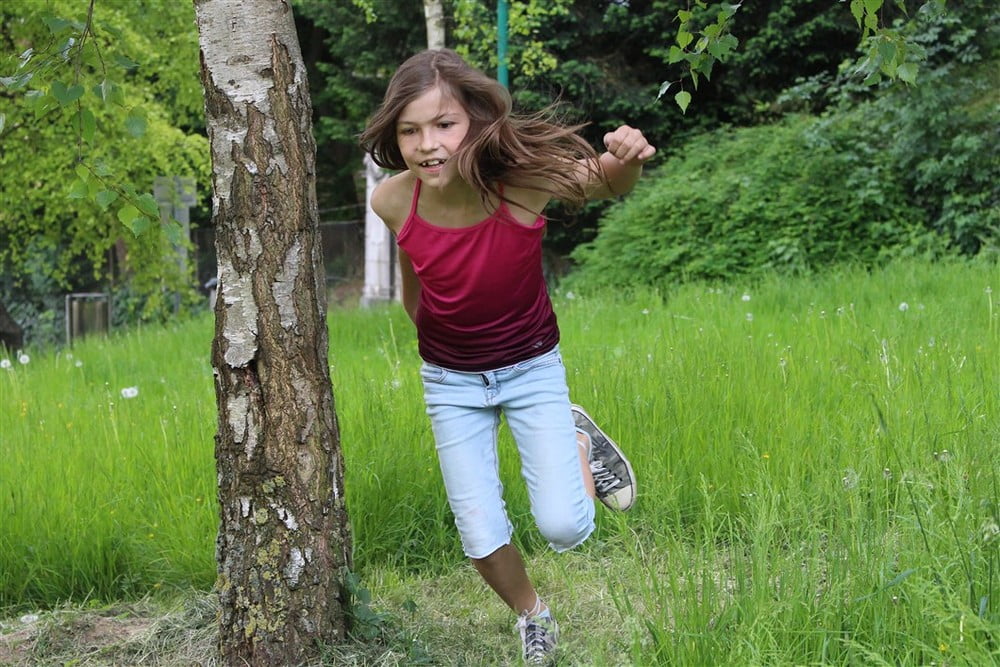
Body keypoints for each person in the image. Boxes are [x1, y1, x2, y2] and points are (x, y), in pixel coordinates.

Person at [359, 48, 654, 664]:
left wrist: (625, 158)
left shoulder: (521, 182)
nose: (427, 144)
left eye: (444, 124)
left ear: (475, 121)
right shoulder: (392, 199)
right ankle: (532, 615)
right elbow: (416, 282)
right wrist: (442, 344)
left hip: (530, 370)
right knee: (479, 531)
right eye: (410, 131)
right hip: (451, 382)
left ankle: (577, 439)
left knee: (566, 528)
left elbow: (605, 181)